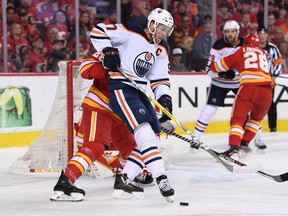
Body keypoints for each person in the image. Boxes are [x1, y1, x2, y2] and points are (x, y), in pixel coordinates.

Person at [89, 8, 175, 201]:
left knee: (153, 136)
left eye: (167, 30)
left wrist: (165, 99)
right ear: (151, 25)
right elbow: (98, 30)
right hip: (122, 88)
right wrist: (108, 50)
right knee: (143, 129)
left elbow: (160, 79)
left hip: (141, 92)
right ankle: (161, 177)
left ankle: (124, 180)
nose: (164, 33)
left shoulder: (161, 50)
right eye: (162, 28)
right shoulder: (130, 32)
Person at [50, 53, 143, 202]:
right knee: (95, 146)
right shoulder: (111, 50)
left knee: (132, 147)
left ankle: (128, 177)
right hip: (100, 106)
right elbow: (85, 68)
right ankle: (65, 182)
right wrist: (105, 65)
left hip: (121, 110)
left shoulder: (143, 55)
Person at [210, 33, 273, 156]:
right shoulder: (263, 53)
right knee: (256, 120)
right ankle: (244, 144)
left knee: (238, 119)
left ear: (245, 43)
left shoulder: (241, 50)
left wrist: (216, 67)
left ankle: (234, 147)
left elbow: (217, 67)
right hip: (267, 90)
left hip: (249, 88)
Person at [193, 20, 243, 144]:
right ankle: (195, 139)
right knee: (208, 110)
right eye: (227, 32)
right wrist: (223, 74)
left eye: (232, 31)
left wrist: (236, 74)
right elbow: (208, 70)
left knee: (246, 110)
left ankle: (256, 140)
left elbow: (248, 66)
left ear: (237, 32)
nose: (230, 34)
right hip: (219, 84)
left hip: (239, 83)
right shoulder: (218, 45)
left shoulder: (245, 44)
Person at [257, 26, 282, 134]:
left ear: (267, 35)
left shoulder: (273, 48)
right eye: (260, 33)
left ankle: (273, 127)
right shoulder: (253, 47)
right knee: (254, 104)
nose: (262, 36)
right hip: (255, 80)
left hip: (268, 79)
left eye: (264, 34)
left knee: (270, 103)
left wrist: (273, 78)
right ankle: (254, 127)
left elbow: (278, 62)